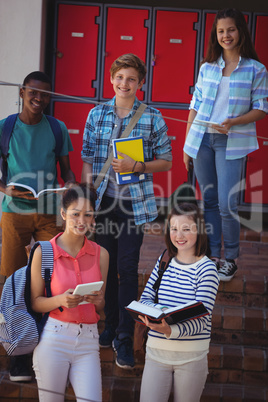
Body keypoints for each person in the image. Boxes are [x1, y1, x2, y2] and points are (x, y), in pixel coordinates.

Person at [81, 53, 172, 369]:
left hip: (134, 205)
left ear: (140, 83)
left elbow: (167, 160)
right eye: (120, 77)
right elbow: (88, 158)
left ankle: (123, 336)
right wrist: (87, 203)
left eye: (131, 78)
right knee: (104, 268)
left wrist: (139, 165)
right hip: (104, 205)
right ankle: (108, 326)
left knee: (127, 266)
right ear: (111, 78)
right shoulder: (97, 114)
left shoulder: (152, 117)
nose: (125, 83)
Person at [0, 71, 75, 381]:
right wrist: (6, 189)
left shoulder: (56, 129)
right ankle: (14, 351)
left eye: (45, 94)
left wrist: (67, 188)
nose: (39, 98)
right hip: (14, 212)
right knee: (10, 280)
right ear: (22, 91)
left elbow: (67, 172)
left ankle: (39, 349)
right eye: (33, 92)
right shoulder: (6, 127)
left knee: (45, 280)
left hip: (47, 213)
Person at [183, 9, 268, 281]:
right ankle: (212, 256)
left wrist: (234, 122)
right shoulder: (207, 67)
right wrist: (187, 144)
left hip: (231, 141)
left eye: (230, 30)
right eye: (221, 31)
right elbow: (194, 106)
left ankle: (230, 258)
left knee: (227, 202)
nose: (226, 35)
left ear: (240, 31)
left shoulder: (256, 69)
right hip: (202, 139)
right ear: (215, 35)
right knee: (208, 200)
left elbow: (262, 109)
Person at [31, 183, 109, 402]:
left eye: (88, 215)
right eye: (75, 214)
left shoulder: (101, 254)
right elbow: (35, 302)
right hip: (54, 338)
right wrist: (61, 300)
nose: (82, 221)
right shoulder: (44, 251)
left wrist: (99, 300)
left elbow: (100, 305)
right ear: (63, 214)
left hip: (89, 340)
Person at [139, 203, 219, 402]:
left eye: (186, 229)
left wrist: (170, 330)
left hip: (191, 358)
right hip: (156, 354)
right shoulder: (164, 260)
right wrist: (147, 315)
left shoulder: (207, 269)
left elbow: (201, 319)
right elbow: (146, 298)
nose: (179, 236)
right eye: (174, 229)